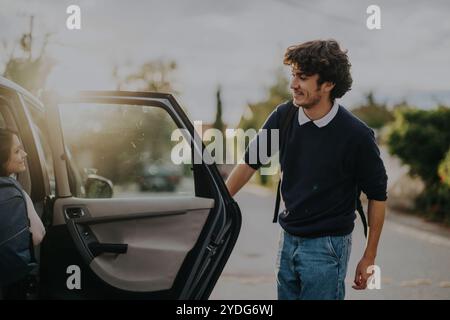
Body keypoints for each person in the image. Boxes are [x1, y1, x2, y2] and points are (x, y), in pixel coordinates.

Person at [226, 39, 387, 300]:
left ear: (328, 84)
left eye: (302, 77)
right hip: (288, 240)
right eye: (293, 75)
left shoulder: (357, 135)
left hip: (328, 247)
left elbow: (378, 196)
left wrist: (369, 256)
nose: (293, 84)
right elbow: (249, 163)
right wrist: (218, 205)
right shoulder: (283, 116)